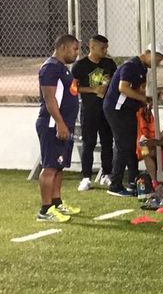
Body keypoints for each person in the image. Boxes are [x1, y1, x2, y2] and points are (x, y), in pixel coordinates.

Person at [102, 43, 163, 197]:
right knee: (123, 145)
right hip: (117, 109)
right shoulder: (131, 66)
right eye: (158, 59)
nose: (158, 64)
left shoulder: (142, 68)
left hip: (128, 109)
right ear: (149, 54)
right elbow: (123, 88)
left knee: (132, 144)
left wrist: (145, 101)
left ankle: (133, 180)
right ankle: (115, 185)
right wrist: (143, 99)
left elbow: (139, 90)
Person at [35, 34, 81, 222]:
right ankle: (45, 210)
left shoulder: (62, 68)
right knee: (50, 167)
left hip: (63, 124)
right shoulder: (50, 68)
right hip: (52, 124)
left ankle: (56, 202)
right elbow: (49, 98)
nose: (77, 53)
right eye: (75, 49)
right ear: (63, 47)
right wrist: (59, 123)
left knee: (59, 166)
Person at [72, 34, 116, 191]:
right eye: (102, 48)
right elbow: (73, 88)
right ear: (92, 47)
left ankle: (106, 174)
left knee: (107, 142)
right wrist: (92, 89)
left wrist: (108, 84)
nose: (105, 51)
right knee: (88, 143)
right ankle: (86, 177)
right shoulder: (80, 66)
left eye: (106, 48)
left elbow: (115, 82)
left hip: (106, 110)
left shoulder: (109, 64)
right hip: (89, 110)